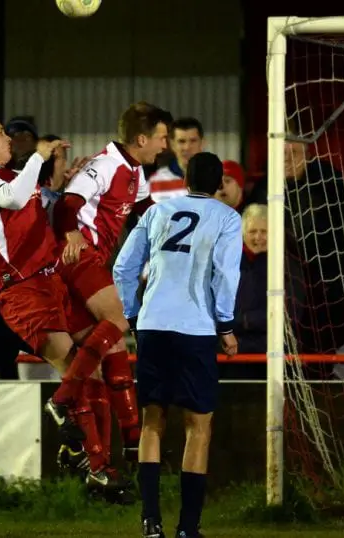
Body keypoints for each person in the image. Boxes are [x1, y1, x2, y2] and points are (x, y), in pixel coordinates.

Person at [0, 111, 125, 489]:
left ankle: (96, 463)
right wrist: (38, 156)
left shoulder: (11, 177)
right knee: (73, 368)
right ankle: (96, 463)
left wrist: (70, 179)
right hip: (21, 291)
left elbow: (38, 200)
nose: (7, 139)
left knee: (89, 368)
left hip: (49, 282)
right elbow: (15, 198)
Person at [113, 152, 241, 538]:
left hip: (153, 326)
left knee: (153, 422)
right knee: (198, 426)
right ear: (219, 183)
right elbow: (225, 273)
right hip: (196, 327)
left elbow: (123, 267)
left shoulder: (156, 212)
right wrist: (227, 326)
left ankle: (151, 522)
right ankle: (188, 527)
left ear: (185, 179)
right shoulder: (227, 218)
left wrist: (134, 316)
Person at [49, 101, 171, 463]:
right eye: (162, 138)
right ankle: (61, 401)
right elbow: (66, 205)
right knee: (118, 322)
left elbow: (143, 211)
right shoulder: (105, 164)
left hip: (91, 263)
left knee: (113, 356)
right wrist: (71, 234)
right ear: (141, 138)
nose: (164, 146)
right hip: (77, 260)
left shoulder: (134, 171)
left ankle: (115, 457)